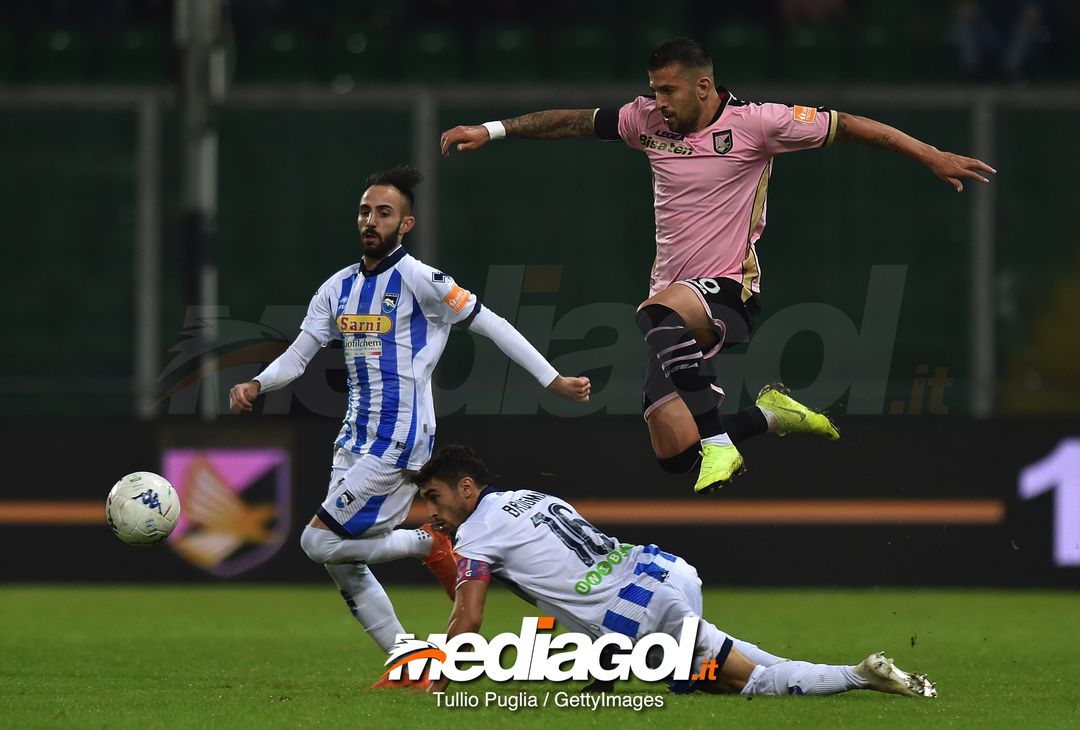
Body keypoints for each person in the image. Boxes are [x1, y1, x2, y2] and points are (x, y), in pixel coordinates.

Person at [440, 38, 996, 495]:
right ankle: (770, 416)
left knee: (654, 315)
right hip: (677, 301)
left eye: (668, 90)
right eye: (654, 89)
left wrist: (932, 156)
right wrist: (491, 131)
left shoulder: (759, 125)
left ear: (704, 86)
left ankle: (721, 442)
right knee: (673, 454)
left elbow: (847, 124)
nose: (657, 101)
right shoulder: (646, 122)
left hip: (732, 290)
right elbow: (572, 122)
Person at [227, 166, 591, 674]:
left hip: (399, 440)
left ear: (406, 224)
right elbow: (299, 354)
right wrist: (257, 384)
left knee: (316, 541)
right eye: (364, 211)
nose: (370, 221)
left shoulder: (422, 280)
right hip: (353, 437)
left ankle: (428, 541)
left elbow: (494, 324)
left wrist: (552, 379)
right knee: (342, 561)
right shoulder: (337, 288)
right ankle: (414, 663)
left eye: (383, 213)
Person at [415, 445, 937, 699]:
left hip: (638, 612)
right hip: (662, 570)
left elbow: (469, 618)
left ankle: (859, 675)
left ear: (465, 488)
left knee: (745, 683)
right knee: (714, 673)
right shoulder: (528, 497)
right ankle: (859, 677)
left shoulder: (477, 533)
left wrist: (435, 679)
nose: (431, 513)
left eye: (434, 498)